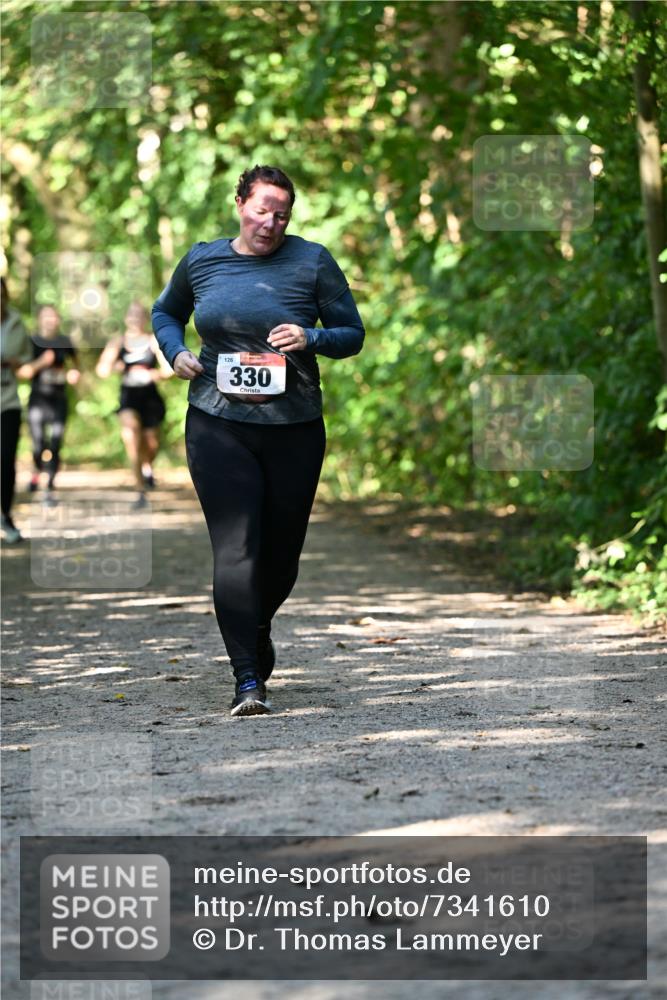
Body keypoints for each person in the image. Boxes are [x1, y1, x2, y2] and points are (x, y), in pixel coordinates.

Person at [152, 164, 365, 717]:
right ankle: (247, 677)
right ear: (240, 204)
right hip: (217, 423)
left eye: (282, 215)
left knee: (281, 556)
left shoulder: (312, 261)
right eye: (263, 210)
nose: (271, 223)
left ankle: (256, 624)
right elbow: (166, 312)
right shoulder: (203, 260)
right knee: (236, 547)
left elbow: (352, 334)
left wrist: (311, 336)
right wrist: (176, 352)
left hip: (294, 428)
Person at [96, 302, 172, 507]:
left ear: (146, 319)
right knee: (131, 437)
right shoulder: (118, 342)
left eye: (139, 314)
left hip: (151, 398)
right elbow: (101, 370)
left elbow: (169, 370)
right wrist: (115, 367)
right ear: (126, 318)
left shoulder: (153, 341)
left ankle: (147, 466)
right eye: (132, 314)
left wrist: (154, 374)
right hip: (128, 397)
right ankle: (139, 490)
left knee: (151, 443)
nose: (135, 318)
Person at [24, 305, 80, 504]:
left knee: (56, 441)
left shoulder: (65, 342)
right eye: (46, 316)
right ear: (39, 319)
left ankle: (49, 485)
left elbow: (76, 366)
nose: (50, 320)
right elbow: (23, 372)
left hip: (59, 399)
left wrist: (73, 374)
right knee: (39, 443)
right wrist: (42, 362)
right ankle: (37, 470)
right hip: (38, 400)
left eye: (53, 316)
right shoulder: (31, 342)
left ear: (58, 320)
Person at [1, 277, 32, 544]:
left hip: (8, 400)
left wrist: (15, 363)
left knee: (6, 460)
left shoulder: (16, 322)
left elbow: (26, 363)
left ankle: (6, 516)